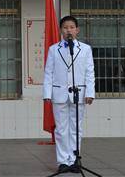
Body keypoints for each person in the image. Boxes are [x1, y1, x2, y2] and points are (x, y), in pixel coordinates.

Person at [43, 16, 95, 173]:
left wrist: (90, 92)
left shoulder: (85, 49)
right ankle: (63, 161)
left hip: (79, 93)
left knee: (76, 128)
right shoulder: (53, 49)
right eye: (65, 27)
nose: (68, 30)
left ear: (77, 30)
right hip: (59, 94)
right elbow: (48, 73)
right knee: (61, 129)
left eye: (72, 27)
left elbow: (89, 72)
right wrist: (47, 93)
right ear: (61, 30)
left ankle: (74, 160)